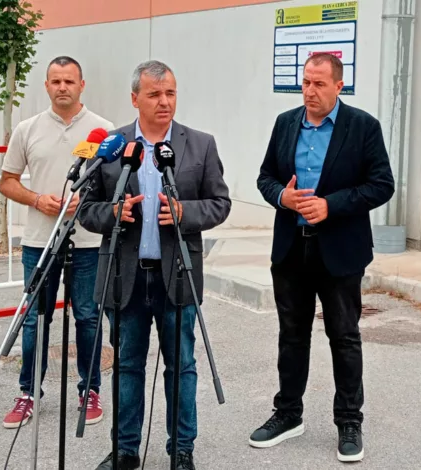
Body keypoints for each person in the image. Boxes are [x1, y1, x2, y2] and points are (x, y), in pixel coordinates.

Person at [78, 60, 231, 470]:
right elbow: (86, 210)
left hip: (177, 276)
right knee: (127, 366)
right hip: (124, 276)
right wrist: (114, 213)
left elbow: (220, 203)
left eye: (170, 93)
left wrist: (185, 212)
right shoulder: (111, 146)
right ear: (135, 98)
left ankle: (181, 449)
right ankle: (125, 450)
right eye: (154, 94)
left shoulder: (200, 144)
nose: (164, 102)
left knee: (181, 367)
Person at [250, 52, 395, 462]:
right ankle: (288, 414)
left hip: (340, 250)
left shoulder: (362, 126)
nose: (309, 91)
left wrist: (332, 205)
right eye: (306, 83)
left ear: (338, 86)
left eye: (318, 84)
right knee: (292, 335)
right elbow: (265, 177)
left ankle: (349, 421)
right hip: (291, 248)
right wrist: (283, 197)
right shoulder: (286, 123)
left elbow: (382, 185)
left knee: (344, 337)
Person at [0, 55, 114, 429]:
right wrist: (36, 199)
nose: (62, 87)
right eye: (56, 81)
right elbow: (7, 182)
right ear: (46, 86)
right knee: (35, 319)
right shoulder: (27, 129)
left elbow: (115, 185)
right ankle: (28, 393)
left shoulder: (104, 130)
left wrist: (89, 201)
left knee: (88, 317)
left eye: (69, 81)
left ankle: (90, 390)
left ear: (82, 85)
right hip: (40, 241)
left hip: (88, 242)